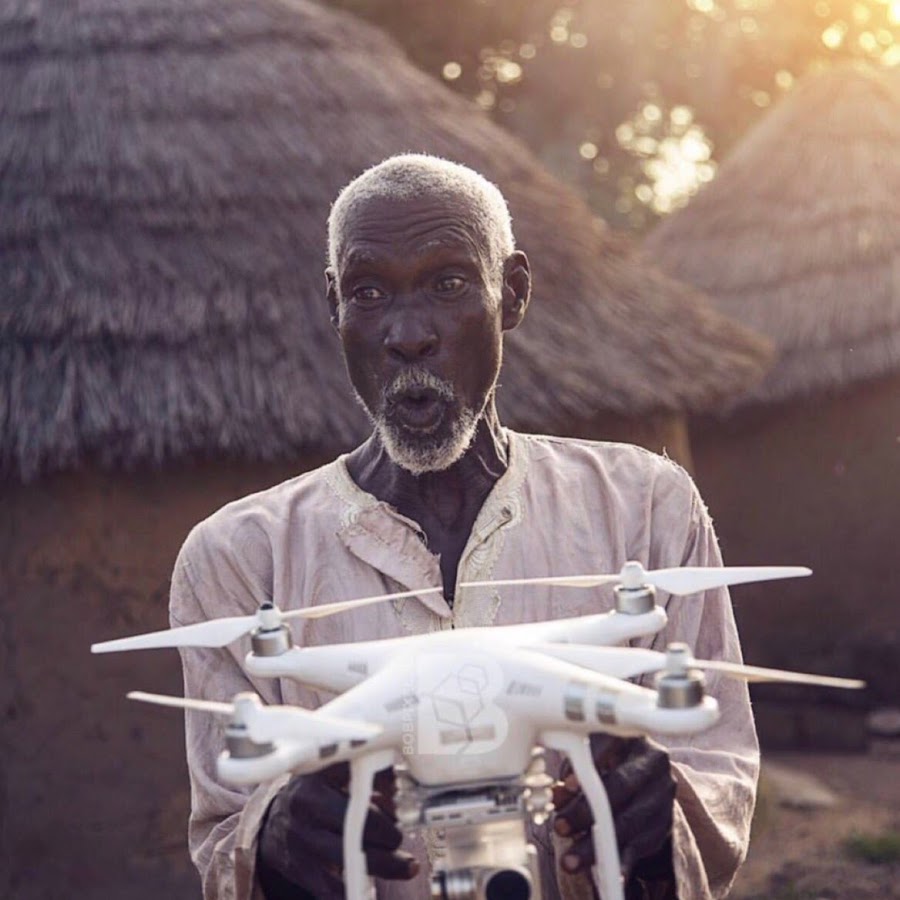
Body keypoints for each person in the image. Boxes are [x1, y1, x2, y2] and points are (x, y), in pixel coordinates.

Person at [171, 154, 759, 900]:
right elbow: (224, 834)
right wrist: (275, 838)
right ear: (335, 307)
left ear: (512, 293)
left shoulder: (646, 509)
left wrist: (659, 813)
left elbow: (717, 766)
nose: (407, 334)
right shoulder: (237, 559)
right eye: (368, 292)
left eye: (448, 284)